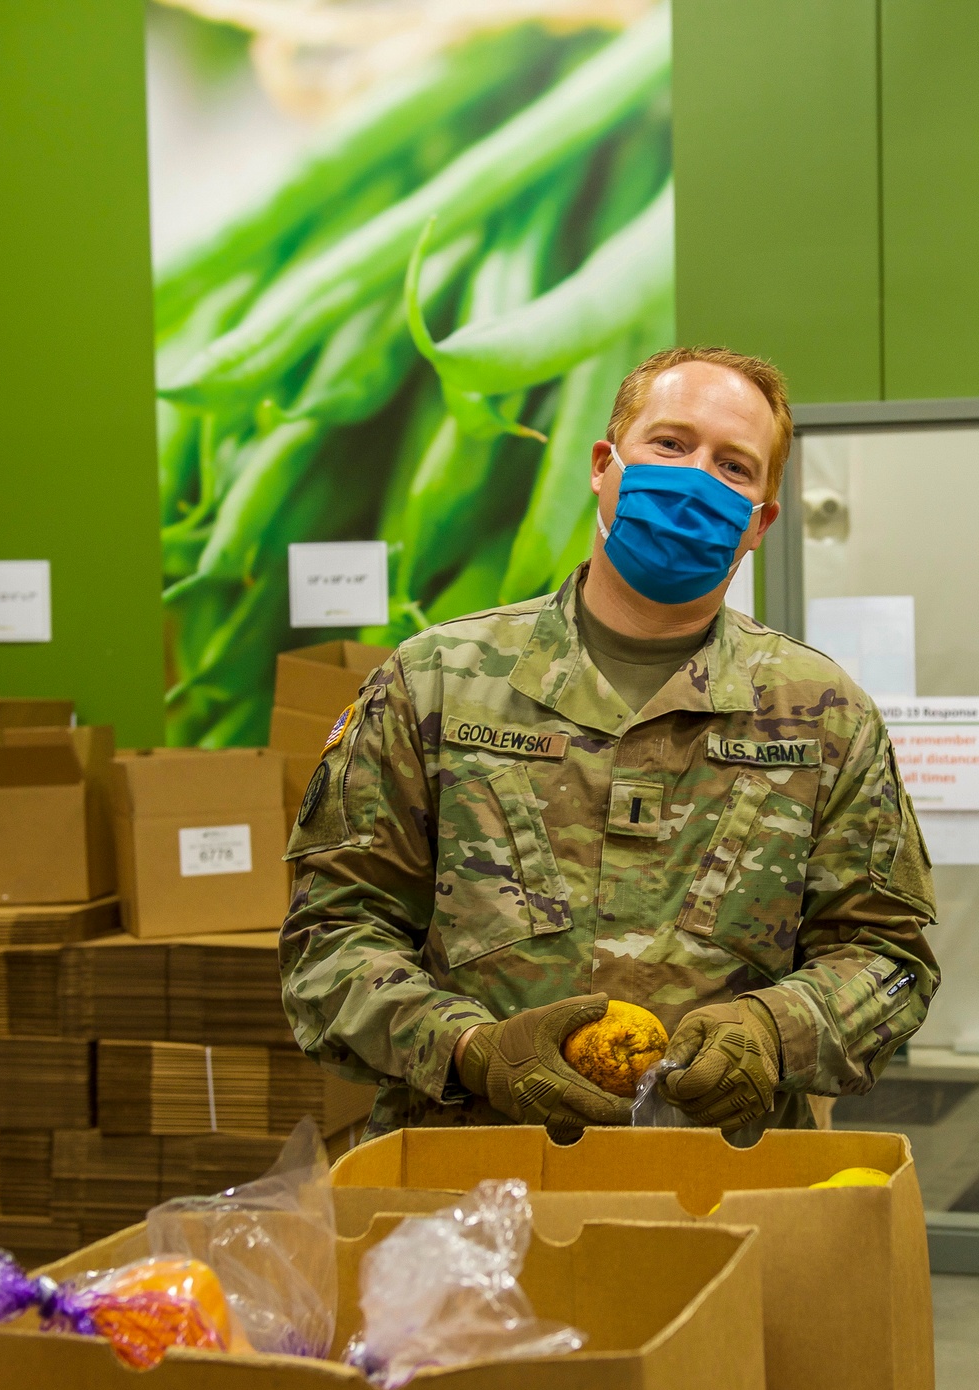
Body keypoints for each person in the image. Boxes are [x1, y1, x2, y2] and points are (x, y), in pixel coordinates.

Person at [279, 345, 939, 1142]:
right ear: (604, 464)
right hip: (473, 1186)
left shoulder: (822, 715)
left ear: (761, 521)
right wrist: (472, 1050)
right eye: (670, 444)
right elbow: (333, 939)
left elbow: (889, 961)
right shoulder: (437, 682)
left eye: (735, 466)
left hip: (728, 1187)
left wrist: (775, 1032)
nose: (696, 479)